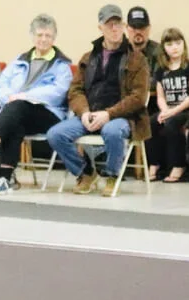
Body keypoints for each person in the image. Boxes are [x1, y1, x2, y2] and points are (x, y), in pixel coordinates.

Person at [45, 4, 150, 196]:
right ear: (100, 27)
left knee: (112, 131)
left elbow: (139, 98)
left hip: (121, 118)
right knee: (55, 134)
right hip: (90, 115)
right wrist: (84, 112)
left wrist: (109, 114)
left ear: (124, 26)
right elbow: (75, 90)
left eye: (118, 24)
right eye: (109, 24)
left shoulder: (137, 59)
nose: (114, 28)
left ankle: (111, 174)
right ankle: (85, 172)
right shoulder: (88, 57)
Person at [0, 14, 73, 195]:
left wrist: (25, 96)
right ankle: (3, 179)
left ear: (54, 38)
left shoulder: (61, 65)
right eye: (39, 35)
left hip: (48, 114)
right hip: (17, 110)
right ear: (32, 36)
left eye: (48, 35)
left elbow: (58, 92)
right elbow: (1, 84)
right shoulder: (19, 60)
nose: (43, 39)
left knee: (17, 109)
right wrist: (10, 98)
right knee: (15, 120)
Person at [147, 28, 189, 182]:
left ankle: (179, 164)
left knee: (171, 123)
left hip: (186, 110)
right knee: (150, 122)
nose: (174, 47)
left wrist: (173, 111)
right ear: (164, 48)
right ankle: (154, 163)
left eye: (178, 43)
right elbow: (161, 96)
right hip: (168, 109)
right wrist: (164, 110)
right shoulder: (161, 70)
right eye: (169, 44)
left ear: (184, 45)